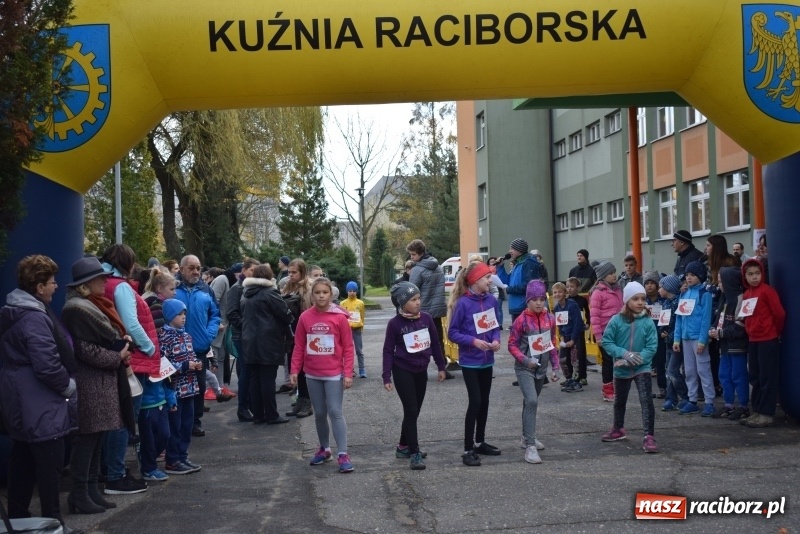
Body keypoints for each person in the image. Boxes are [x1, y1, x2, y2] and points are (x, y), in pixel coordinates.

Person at [0, 256, 82, 532]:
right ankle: (53, 524)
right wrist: (68, 386)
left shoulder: (13, 311)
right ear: (38, 288)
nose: (56, 286)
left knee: (22, 460)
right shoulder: (34, 318)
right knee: (50, 466)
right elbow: (47, 365)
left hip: (21, 395)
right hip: (38, 400)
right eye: (52, 282)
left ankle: (20, 521)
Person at [60, 257, 136, 510]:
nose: (105, 281)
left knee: (97, 437)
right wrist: (118, 356)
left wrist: (119, 343)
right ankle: (80, 493)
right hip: (91, 380)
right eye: (100, 278)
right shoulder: (76, 309)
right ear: (87, 283)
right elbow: (84, 350)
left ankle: (90, 490)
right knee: (88, 438)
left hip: (101, 380)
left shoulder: (90, 305)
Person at [100, 244, 159, 493]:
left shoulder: (103, 284)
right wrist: (150, 348)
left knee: (113, 418)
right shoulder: (121, 287)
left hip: (114, 357)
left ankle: (109, 470)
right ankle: (115, 474)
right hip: (131, 359)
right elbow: (131, 324)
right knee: (125, 418)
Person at [290, 277, 356, 473]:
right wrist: (295, 369)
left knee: (335, 412)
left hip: (334, 374)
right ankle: (324, 448)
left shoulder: (339, 318)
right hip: (312, 374)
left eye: (324, 292)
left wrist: (348, 373)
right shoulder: (305, 317)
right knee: (319, 413)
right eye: (317, 292)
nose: (321, 296)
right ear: (312, 295)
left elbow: (348, 347)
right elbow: (299, 346)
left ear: (331, 294)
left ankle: (343, 453)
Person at [382, 282, 447, 470]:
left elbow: (436, 343)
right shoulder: (394, 324)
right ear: (402, 303)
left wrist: (441, 366)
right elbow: (387, 351)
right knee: (410, 410)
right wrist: (386, 376)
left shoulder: (426, 319)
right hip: (402, 370)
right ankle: (414, 452)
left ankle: (403, 446)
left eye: (418, 298)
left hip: (421, 370)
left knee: (415, 410)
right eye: (413, 300)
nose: (418, 302)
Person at [447, 262, 501, 467]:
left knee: (485, 402)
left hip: (487, 361)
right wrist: (473, 341)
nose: (490, 281)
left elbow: (495, 327)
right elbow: (452, 333)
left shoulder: (491, 301)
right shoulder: (462, 304)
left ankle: (480, 441)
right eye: (487, 277)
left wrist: (496, 341)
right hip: (470, 362)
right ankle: (467, 448)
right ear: (476, 280)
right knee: (475, 401)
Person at [600, 282, 659, 453]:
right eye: (635, 299)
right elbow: (607, 342)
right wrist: (624, 354)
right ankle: (618, 429)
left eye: (642, 299)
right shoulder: (616, 320)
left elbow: (652, 346)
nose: (640, 302)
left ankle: (649, 436)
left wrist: (636, 359)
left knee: (646, 400)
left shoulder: (648, 321)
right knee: (619, 401)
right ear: (626, 301)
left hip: (642, 367)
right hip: (621, 368)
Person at [508, 280, 562, 464]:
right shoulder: (520, 320)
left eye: (542, 299)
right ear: (527, 300)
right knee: (532, 400)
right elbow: (512, 345)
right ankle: (530, 446)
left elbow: (552, 344)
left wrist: (555, 367)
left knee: (529, 403)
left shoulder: (550, 319)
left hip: (542, 370)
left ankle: (525, 437)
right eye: (534, 299)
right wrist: (525, 359)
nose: (539, 303)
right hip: (524, 368)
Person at [241, 264, 294, 425]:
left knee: (255, 379)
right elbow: (285, 314)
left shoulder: (246, 294)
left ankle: (258, 414)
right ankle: (272, 414)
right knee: (268, 379)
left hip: (249, 340)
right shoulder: (270, 292)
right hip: (268, 340)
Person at [174, 254, 221, 437]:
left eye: (198, 268)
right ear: (181, 268)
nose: (195, 271)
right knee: (178, 387)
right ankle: (178, 422)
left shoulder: (206, 290)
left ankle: (195, 421)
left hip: (200, 347)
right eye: (191, 267)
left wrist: (208, 335)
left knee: (199, 386)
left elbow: (215, 315)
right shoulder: (174, 289)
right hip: (177, 349)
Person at [739, 257, 785, 428]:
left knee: (767, 376)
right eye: (750, 274)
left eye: (757, 273)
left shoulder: (767, 291)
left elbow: (779, 314)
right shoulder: (747, 294)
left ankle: (766, 413)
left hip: (768, 339)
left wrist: (776, 332)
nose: (754, 277)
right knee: (755, 376)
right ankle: (757, 410)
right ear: (745, 276)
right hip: (753, 339)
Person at [160, 299, 204, 475]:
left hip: (190, 388)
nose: (183, 317)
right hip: (175, 390)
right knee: (175, 426)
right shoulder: (164, 337)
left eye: (184, 314)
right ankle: (172, 459)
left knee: (187, 425)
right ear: (170, 315)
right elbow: (163, 366)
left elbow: (191, 356)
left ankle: (183, 456)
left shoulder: (186, 335)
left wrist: (196, 364)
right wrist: (185, 366)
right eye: (179, 314)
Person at [672, 261, 715, 416]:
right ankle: (692, 400)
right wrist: (677, 339)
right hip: (685, 338)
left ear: (700, 276)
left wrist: (703, 340)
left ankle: (710, 401)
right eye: (687, 275)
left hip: (698, 338)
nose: (688, 278)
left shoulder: (705, 294)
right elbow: (679, 318)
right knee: (689, 370)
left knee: (703, 369)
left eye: (692, 275)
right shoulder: (684, 293)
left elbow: (705, 319)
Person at [708, 266, 750, 421]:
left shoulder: (740, 298)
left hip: (737, 345)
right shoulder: (724, 298)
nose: (719, 284)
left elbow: (741, 325)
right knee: (724, 375)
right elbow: (718, 318)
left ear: (729, 282)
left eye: (721, 281)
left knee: (738, 375)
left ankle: (743, 406)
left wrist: (721, 333)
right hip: (724, 345)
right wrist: (712, 328)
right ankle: (729, 404)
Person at [406, 239, 452, 377]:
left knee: (420, 341)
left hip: (422, 311)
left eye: (413, 255)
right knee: (438, 340)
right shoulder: (437, 267)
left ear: (420, 253)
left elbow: (411, 291)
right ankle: (443, 368)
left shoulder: (417, 269)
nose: (411, 258)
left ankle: (420, 370)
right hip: (437, 310)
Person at [226, 258, 260, 420]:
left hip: (251, 335)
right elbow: (232, 313)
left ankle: (252, 405)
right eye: (253, 270)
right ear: (245, 270)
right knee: (246, 370)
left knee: (251, 370)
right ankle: (243, 407)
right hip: (241, 336)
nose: (255, 274)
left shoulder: (251, 287)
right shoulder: (236, 288)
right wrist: (247, 327)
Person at [283, 259, 315, 418]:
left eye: (294, 272)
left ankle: (307, 401)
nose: (290, 275)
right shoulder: (289, 286)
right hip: (291, 332)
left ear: (302, 272)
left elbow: (312, 310)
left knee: (305, 368)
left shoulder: (309, 288)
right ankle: (301, 399)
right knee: (296, 367)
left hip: (305, 332)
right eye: (289, 272)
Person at [589, 261, 622, 402]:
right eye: (610, 273)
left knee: (619, 361)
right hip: (605, 333)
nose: (614, 275)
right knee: (608, 361)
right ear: (603, 276)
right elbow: (594, 316)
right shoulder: (598, 293)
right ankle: (607, 389)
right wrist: (598, 336)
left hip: (619, 332)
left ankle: (617, 387)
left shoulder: (618, 289)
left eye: (614, 272)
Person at [210, 262, 243, 388]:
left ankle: (221, 386)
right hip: (218, 325)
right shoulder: (222, 279)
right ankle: (213, 387)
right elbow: (213, 301)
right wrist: (217, 321)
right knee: (216, 355)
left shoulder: (228, 280)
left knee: (222, 356)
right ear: (237, 272)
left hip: (225, 324)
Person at [496, 238, 541, 324]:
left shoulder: (528, 263)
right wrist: (500, 267)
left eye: (511, 248)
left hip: (524, 307)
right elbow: (507, 281)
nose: (509, 251)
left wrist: (509, 289)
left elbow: (529, 286)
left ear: (519, 250)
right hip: (516, 307)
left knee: (524, 336)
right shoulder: (518, 263)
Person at [551, 282, 584, 392]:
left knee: (575, 360)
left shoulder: (572, 305)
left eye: (560, 292)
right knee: (563, 359)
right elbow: (559, 325)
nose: (557, 294)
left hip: (575, 336)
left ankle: (576, 381)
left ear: (565, 293)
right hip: (565, 337)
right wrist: (561, 337)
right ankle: (569, 379)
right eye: (555, 292)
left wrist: (573, 339)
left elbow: (577, 323)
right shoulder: (556, 308)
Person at [642, 271, 667, 399]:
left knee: (661, 363)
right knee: (646, 364)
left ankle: (663, 388)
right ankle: (647, 389)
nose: (650, 286)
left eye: (652, 283)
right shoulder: (641, 300)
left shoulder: (663, 300)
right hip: (645, 337)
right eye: (647, 283)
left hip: (660, 336)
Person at [566, 277, 590, 383]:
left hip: (579, 330)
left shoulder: (582, 300)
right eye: (567, 287)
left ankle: (582, 376)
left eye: (572, 286)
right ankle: (570, 376)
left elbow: (588, 312)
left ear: (578, 288)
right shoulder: (565, 300)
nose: (569, 289)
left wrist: (588, 323)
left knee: (580, 353)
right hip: (568, 330)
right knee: (568, 354)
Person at [342, 281, 367, 378]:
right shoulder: (343, 303)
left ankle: (362, 369)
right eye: (349, 291)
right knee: (348, 350)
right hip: (347, 330)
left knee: (359, 350)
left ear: (356, 291)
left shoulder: (360, 303)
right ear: (347, 291)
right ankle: (350, 370)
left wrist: (362, 327)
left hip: (357, 329)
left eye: (354, 291)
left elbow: (362, 316)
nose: (352, 293)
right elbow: (341, 317)